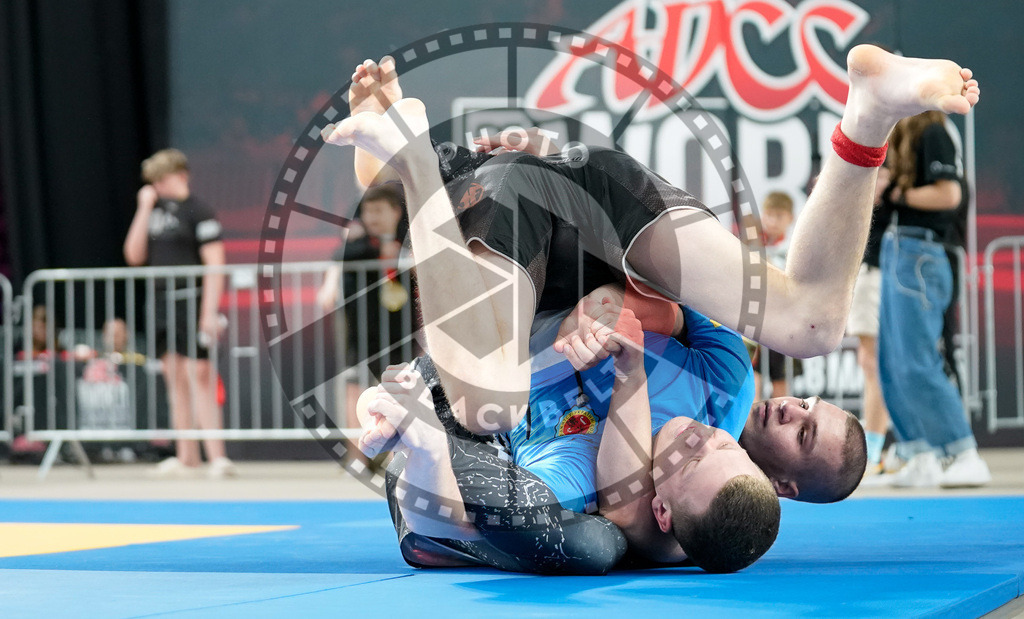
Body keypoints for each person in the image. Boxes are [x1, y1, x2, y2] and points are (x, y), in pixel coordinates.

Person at [323, 46, 979, 449]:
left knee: (810, 321)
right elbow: (665, 311)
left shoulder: (699, 457)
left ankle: (867, 116)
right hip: (566, 215)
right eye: (813, 413)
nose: (794, 409)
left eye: (803, 433)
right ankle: (410, 157)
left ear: (789, 482)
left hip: (571, 187)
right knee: (483, 401)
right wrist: (616, 315)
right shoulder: (733, 386)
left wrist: (404, 401)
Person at [359, 291, 779, 573]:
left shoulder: (580, 490)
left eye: (692, 462)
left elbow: (439, 521)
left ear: (662, 511)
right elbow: (680, 297)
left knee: (588, 544)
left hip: (469, 445)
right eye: (725, 443)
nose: (701, 436)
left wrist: (426, 445)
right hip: (510, 357)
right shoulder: (724, 396)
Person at [877, 111, 990, 488]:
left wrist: (894, 192)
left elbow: (949, 193)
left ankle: (963, 453)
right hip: (900, 250)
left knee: (917, 361)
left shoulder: (932, 130)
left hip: (919, 253)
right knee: (892, 363)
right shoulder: (905, 134)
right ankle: (918, 453)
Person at [123, 148, 235, 479]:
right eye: (153, 182)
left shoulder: (199, 212)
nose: (157, 187)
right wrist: (144, 208)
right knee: (173, 376)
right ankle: (186, 456)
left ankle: (217, 456)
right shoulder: (153, 210)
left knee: (199, 374)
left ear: (180, 175)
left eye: (162, 179)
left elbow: (216, 265)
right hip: (160, 301)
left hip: (192, 298)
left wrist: (208, 312)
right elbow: (133, 255)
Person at [316, 184, 416, 423]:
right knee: (354, 386)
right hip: (359, 327)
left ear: (395, 212)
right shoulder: (357, 243)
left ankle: (398, 455)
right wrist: (330, 283)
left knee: (400, 388)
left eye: (378, 211)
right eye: (368, 211)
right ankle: (357, 458)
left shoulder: (411, 237)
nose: (371, 217)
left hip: (399, 329)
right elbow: (340, 256)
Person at [847, 166, 894, 477]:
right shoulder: (863, 196)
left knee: (874, 363)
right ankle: (876, 448)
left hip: (879, 278)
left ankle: (875, 450)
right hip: (870, 277)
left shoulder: (891, 194)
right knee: (872, 363)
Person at [751, 191, 799, 399]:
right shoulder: (751, 246)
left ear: (790, 218)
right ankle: (749, 427)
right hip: (755, 327)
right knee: (752, 378)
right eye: (768, 215)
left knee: (781, 382)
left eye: (778, 216)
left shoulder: (794, 249)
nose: (772, 221)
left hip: (783, 325)